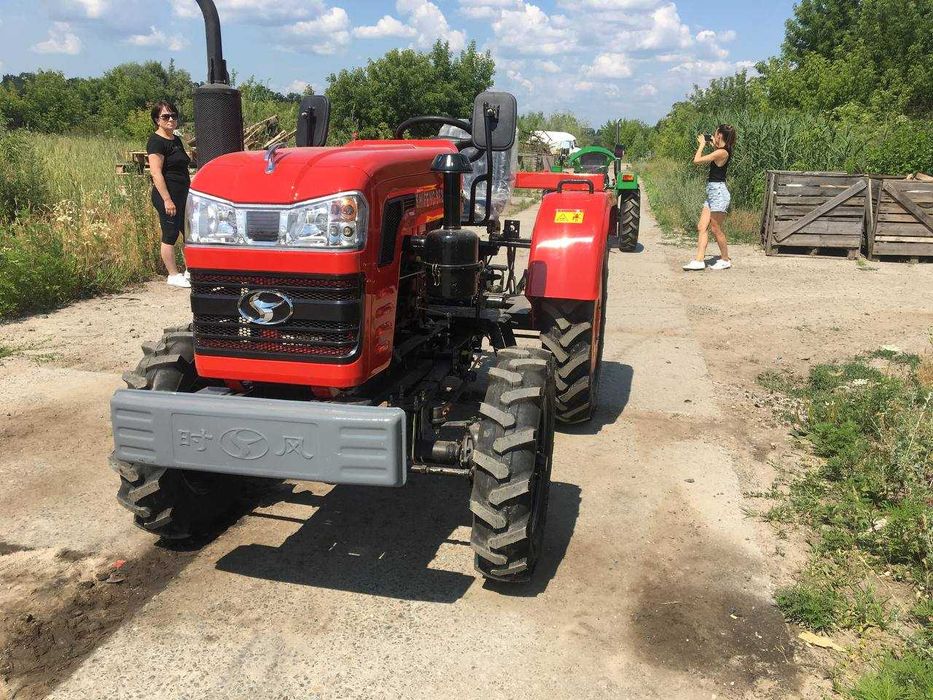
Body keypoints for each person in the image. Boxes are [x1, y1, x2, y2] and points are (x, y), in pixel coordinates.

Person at [147, 100, 191, 288]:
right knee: (170, 233)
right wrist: (167, 199)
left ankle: (191, 270)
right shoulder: (156, 141)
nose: (171, 119)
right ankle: (173, 275)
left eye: (174, 115)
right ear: (157, 120)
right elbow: (156, 172)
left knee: (189, 233)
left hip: (183, 194)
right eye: (166, 116)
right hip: (168, 196)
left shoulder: (176, 139)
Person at [683, 124, 737, 271]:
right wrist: (712, 142)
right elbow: (717, 150)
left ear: (720, 135)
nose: (714, 135)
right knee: (702, 226)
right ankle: (699, 260)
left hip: (719, 193)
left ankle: (725, 259)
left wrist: (701, 145)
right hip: (713, 192)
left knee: (715, 228)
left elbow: (697, 160)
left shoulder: (722, 153)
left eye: (716, 133)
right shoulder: (723, 149)